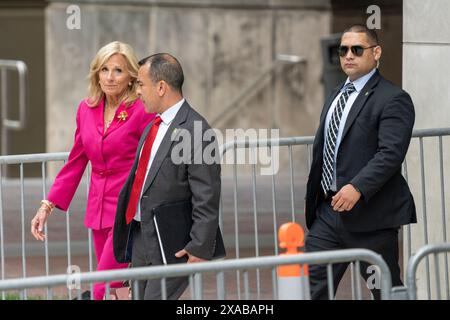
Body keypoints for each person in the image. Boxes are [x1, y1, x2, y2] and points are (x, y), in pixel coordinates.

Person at [30, 41, 155, 300]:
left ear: (132, 76)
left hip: (129, 210)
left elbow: (155, 159)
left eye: (118, 70)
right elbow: (76, 161)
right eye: (104, 69)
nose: (110, 77)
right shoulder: (86, 109)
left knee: (101, 286)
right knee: (117, 287)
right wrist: (46, 206)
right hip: (98, 208)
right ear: (96, 73)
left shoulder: (142, 110)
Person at [304, 24, 416, 299]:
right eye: (343, 50)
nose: (348, 56)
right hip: (328, 215)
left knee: (386, 292)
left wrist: (358, 187)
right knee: (312, 288)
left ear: (376, 52)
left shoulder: (393, 99)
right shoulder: (335, 96)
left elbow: (390, 153)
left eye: (357, 49)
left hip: (372, 218)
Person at [113, 53, 224, 300]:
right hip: (142, 236)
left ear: (161, 87)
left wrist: (199, 245)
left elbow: (206, 194)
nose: (137, 92)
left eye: (141, 85)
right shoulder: (152, 126)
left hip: (174, 245)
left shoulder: (196, 129)